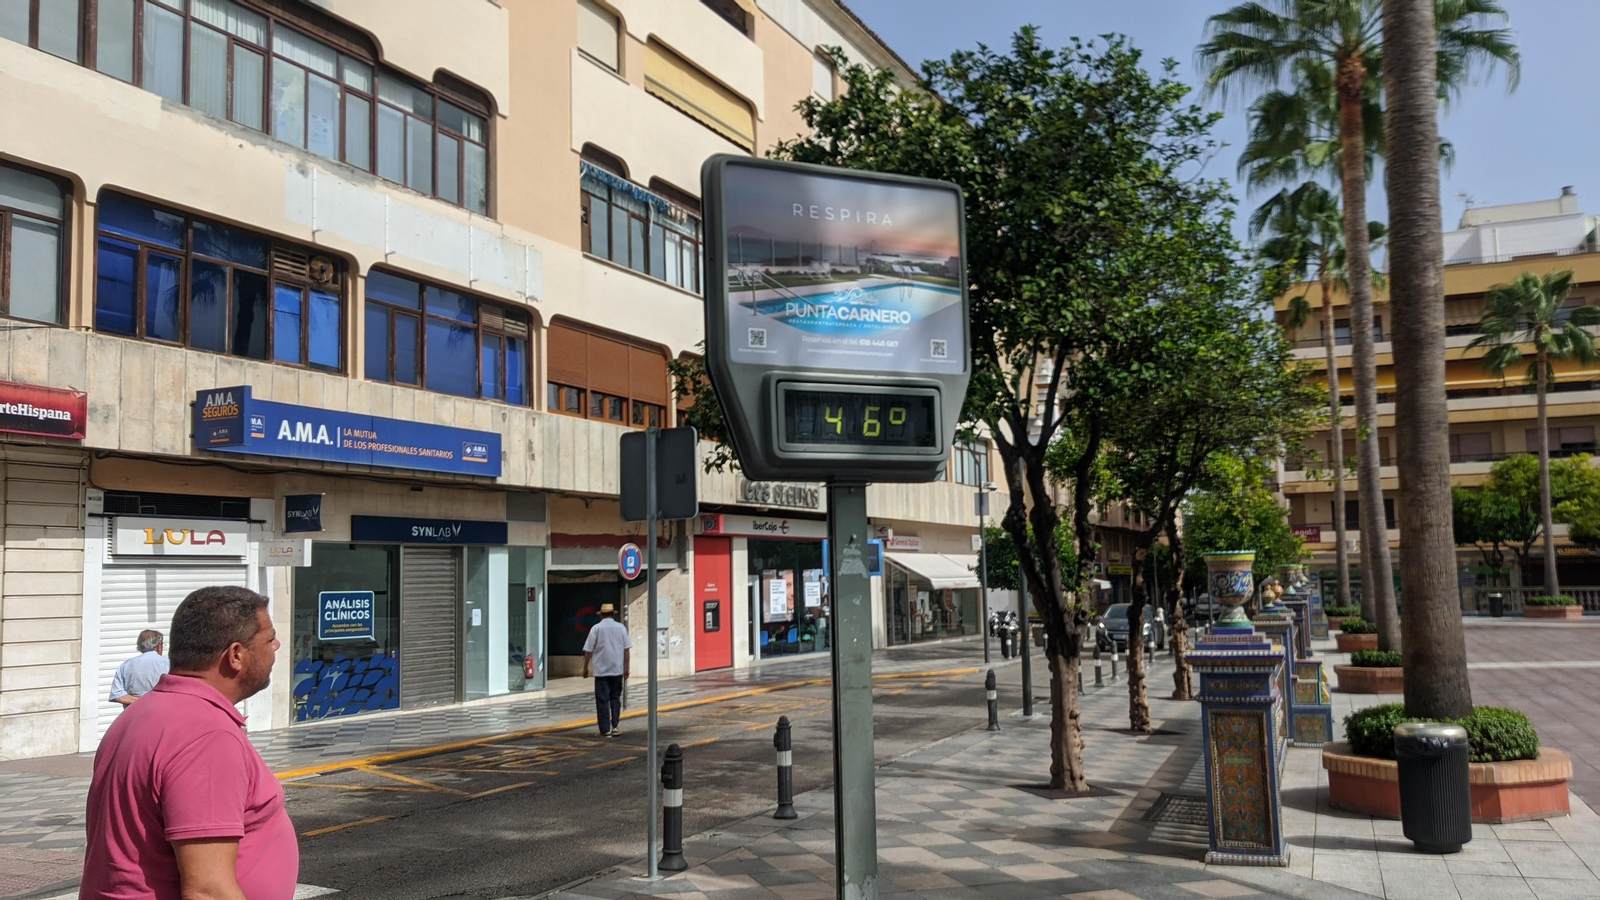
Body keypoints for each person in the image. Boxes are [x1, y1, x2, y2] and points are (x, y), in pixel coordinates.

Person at [80, 585, 296, 900]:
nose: (276, 645)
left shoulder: (142, 713)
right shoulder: (206, 734)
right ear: (236, 655)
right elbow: (208, 890)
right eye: (268, 639)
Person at [581, 603, 632, 738]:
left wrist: (585, 667)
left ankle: (605, 729)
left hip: (601, 671)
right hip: (617, 669)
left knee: (602, 700)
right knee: (615, 698)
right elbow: (626, 649)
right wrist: (627, 667)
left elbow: (588, 651)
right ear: (613, 614)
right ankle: (615, 726)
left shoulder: (596, 628)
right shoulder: (621, 628)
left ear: (601, 615)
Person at [109, 630, 169, 707]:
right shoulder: (169, 664)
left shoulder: (126, 665)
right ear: (159, 646)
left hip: (134, 714)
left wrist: (141, 702)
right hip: (161, 711)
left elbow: (117, 695)